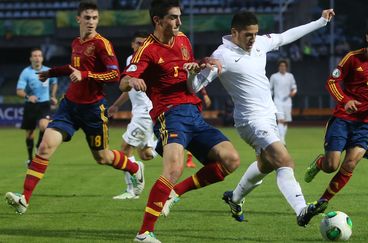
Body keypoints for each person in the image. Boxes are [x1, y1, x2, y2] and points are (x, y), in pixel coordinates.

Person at [182, 10, 335, 227]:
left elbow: (286, 36)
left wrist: (320, 22)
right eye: (248, 35)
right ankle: (301, 210)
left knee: (265, 165)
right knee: (284, 160)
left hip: (269, 116)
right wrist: (192, 73)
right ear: (234, 32)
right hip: (250, 121)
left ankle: (234, 198)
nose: (253, 39)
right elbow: (195, 87)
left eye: (255, 34)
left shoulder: (259, 44)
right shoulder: (221, 56)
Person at [5, 1, 144, 215]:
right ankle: (24, 199)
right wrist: (51, 73)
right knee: (44, 147)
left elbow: (115, 75)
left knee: (102, 158)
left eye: (94, 18)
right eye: (87, 17)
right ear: (78, 19)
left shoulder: (102, 44)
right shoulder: (75, 42)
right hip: (69, 107)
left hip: (93, 110)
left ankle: (134, 168)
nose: (91, 22)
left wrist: (86, 75)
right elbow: (73, 68)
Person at [119, 1, 240, 242]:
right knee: (174, 168)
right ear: (158, 20)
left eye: (179, 17)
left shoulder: (183, 39)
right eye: (173, 18)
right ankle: (144, 233)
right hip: (169, 115)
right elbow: (124, 80)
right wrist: (131, 82)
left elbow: (189, 68)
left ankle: (174, 193)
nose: (179, 22)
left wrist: (204, 62)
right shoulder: (147, 50)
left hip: (193, 114)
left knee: (231, 160)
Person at [303, 20, 368, 207]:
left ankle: (323, 201)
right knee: (331, 166)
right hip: (343, 119)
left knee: (350, 164)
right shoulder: (352, 58)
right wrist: (346, 101)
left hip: (367, 123)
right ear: (367, 38)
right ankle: (319, 163)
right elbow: (332, 82)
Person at [108, 31, 158, 200]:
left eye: (144, 43)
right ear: (132, 44)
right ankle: (160, 144)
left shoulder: (148, 61)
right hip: (139, 112)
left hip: (145, 112)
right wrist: (116, 105)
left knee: (125, 149)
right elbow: (128, 87)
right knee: (146, 155)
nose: (140, 46)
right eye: (138, 43)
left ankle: (132, 191)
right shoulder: (131, 61)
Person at [16, 48, 58, 163]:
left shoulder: (48, 71)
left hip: (44, 104)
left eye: (39, 55)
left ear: (42, 58)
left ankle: (39, 145)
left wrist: (53, 95)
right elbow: (19, 90)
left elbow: (54, 82)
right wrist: (28, 97)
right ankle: (30, 158)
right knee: (29, 134)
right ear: (31, 59)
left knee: (45, 126)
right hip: (30, 105)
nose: (37, 58)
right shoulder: (26, 72)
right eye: (34, 56)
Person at [269, 59, 297, 145]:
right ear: (278, 67)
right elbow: (270, 89)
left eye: (284, 66)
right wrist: (269, 100)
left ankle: (282, 138)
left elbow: (294, 87)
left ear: (286, 67)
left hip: (288, 101)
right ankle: (281, 140)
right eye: (281, 66)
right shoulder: (274, 76)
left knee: (285, 121)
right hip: (277, 101)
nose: (282, 67)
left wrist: (293, 92)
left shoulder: (290, 76)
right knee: (280, 120)